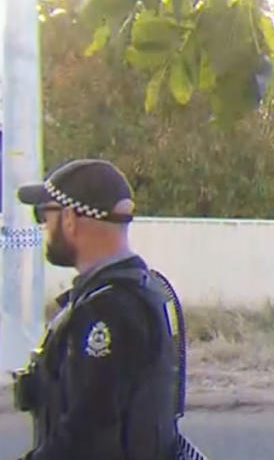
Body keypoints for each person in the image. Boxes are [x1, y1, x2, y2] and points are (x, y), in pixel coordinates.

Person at [10, 158, 195, 460]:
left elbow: (88, 430)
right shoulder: (140, 292)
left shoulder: (109, 310)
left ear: (69, 218)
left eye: (45, 214)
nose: (44, 226)